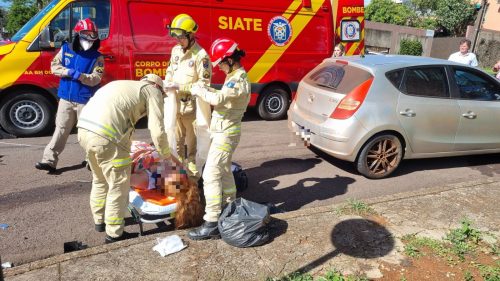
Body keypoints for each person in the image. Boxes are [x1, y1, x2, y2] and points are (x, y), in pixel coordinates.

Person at [77, 74, 172, 243]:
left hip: (84, 130)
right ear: (158, 87)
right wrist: (166, 155)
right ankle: (114, 234)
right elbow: (157, 130)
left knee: (99, 179)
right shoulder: (152, 91)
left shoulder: (123, 84)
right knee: (118, 185)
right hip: (106, 137)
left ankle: (100, 221)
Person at [187, 38, 250, 240]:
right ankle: (230, 204)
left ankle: (212, 221)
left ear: (230, 59)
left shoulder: (238, 79)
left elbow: (218, 99)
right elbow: (222, 95)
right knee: (224, 170)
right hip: (225, 132)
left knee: (211, 174)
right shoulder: (233, 76)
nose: (220, 67)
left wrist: (200, 90)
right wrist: (207, 89)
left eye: (221, 63)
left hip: (226, 134)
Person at [35, 18, 104, 173]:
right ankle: (49, 160)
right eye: (86, 33)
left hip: (86, 100)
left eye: (92, 34)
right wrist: (67, 71)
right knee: (61, 129)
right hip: (66, 98)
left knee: (87, 132)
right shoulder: (66, 49)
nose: (89, 37)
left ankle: (91, 160)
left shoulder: (97, 57)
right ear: (78, 34)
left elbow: (96, 78)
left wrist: (81, 76)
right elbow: (55, 66)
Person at [164, 13, 212, 178]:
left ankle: (193, 182)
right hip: (175, 107)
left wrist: (180, 86)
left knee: (192, 148)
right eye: (176, 37)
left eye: (181, 37)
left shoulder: (201, 56)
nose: (178, 41)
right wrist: (168, 83)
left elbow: (204, 85)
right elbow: (170, 70)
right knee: (175, 145)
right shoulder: (176, 51)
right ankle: (178, 176)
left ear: (191, 35)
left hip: (192, 110)